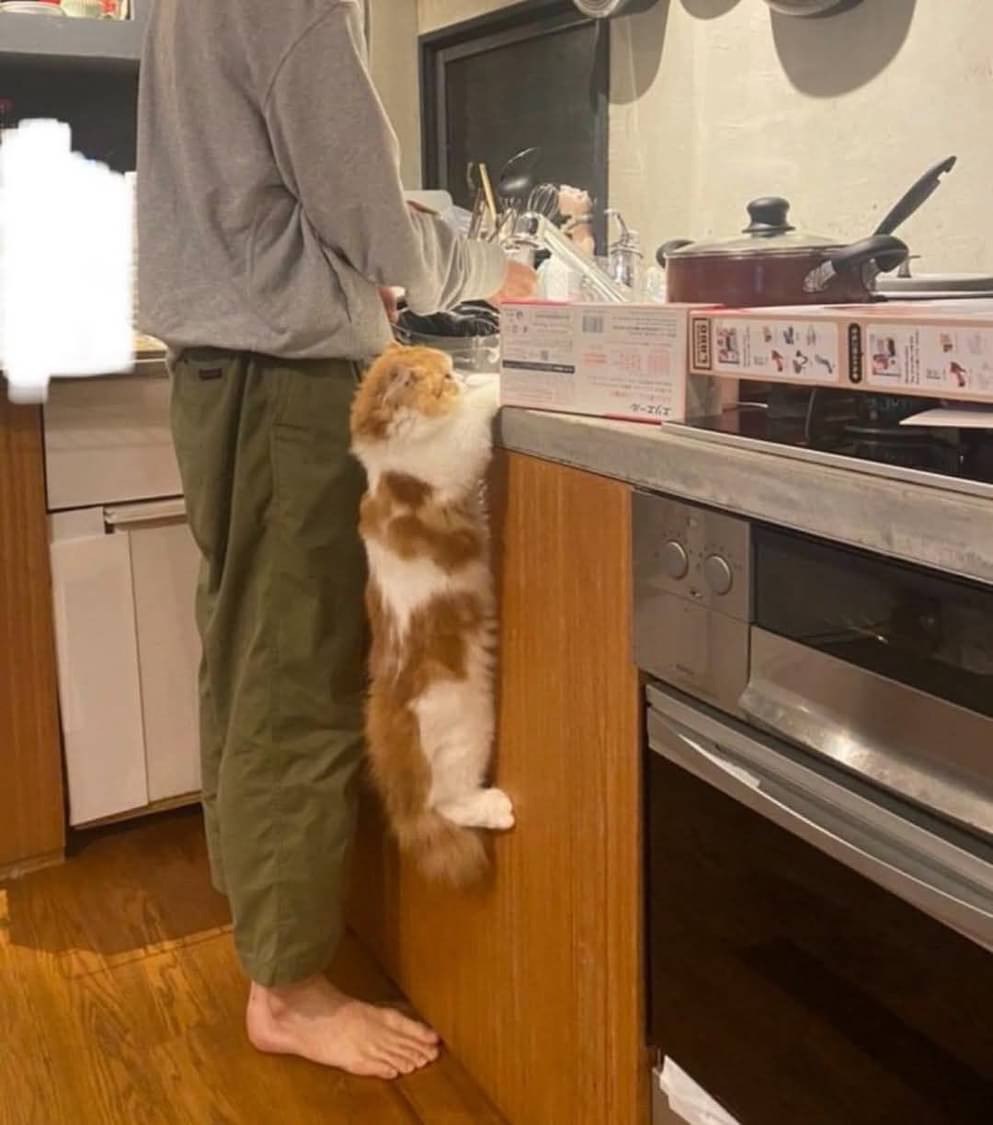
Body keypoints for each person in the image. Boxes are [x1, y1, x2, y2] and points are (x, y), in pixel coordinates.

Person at [136, 0, 536, 1080]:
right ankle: (288, 988)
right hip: (285, 371)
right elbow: (375, 228)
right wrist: (488, 265)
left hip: (232, 370)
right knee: (297, 675)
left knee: (252, 654)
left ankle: (264, 925)